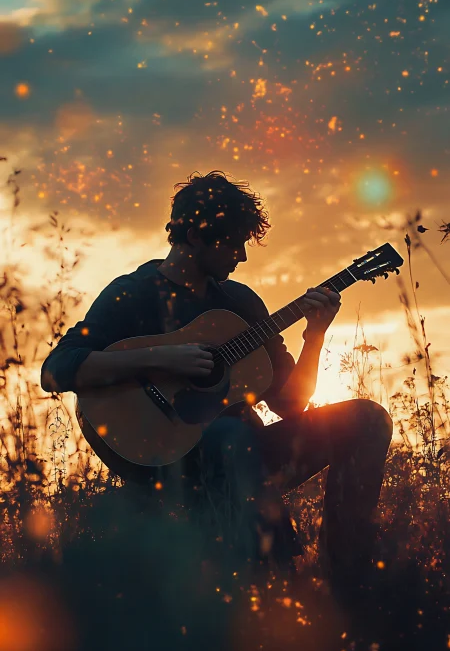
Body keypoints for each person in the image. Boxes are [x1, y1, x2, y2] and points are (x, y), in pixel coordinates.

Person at [40, 170, 393, 599]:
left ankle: (347, 580)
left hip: (243, 455)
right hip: (166, 463)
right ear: (193, 234)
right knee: (229, 433)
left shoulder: (240, 303)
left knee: (368, 419)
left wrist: (314, 335)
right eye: (232, 242)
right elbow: (56, 370)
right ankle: (265, 591)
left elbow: (291, 405)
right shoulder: (133, 293)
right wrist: (161, 357)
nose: (242, 256)